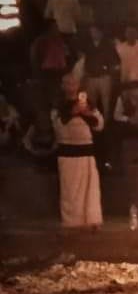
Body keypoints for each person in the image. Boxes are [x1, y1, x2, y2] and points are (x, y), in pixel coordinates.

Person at [50, 73, 104, 230]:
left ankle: (92, 220)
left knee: (90, 189)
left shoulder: (88, 103)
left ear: (78, 85)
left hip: (86, 150)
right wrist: (72, 112)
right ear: (62, 85)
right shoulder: (58, 104)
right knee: (70, 190)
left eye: (73, 83)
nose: (70, 86)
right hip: (68, 152)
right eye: (67, 83)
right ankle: (71, 222)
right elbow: (57, 125)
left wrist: (85, 113)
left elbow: (99, 125)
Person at [78, 24, 118, 121]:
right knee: (92, 102)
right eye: (91, 32)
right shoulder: (87, 45)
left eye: (95, 32)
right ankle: (94, 122)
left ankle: (107, 122)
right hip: (91, 78)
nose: (93, 34)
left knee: (106, 101)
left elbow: (114, 61)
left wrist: (109, 71)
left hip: (104, 77)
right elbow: (82, 59)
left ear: (101, 33)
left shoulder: (108, 45)